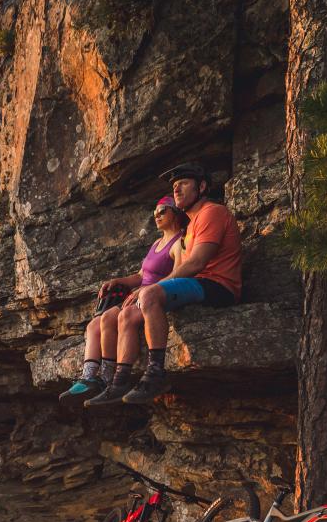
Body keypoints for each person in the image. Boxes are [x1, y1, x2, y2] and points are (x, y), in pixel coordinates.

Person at [102, 161, 243, 406]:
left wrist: (149, 289)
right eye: (174, 186)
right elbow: (183, 269)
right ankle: (119, 380)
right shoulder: (189, 226)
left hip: (218, 286)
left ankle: (156, 373)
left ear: (201, 186)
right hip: (197, 283)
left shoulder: (212, 212)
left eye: (183, 184)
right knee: (129, 314)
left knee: (149, 296)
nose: (176, 190)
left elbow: (196, 264)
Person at [58, 197, 189, 406]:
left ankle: (112, 379)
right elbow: (140, 275)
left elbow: (178, 274)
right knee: (95, 323)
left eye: (162, 210)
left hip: (153, 295)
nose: (156, 215)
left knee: (115, 317)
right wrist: (118, 281)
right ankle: (92, 377)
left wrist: (146, 290)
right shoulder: (157, 243)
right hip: (138, 294)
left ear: (176, 213)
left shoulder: (179, 241)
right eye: (154, 211)